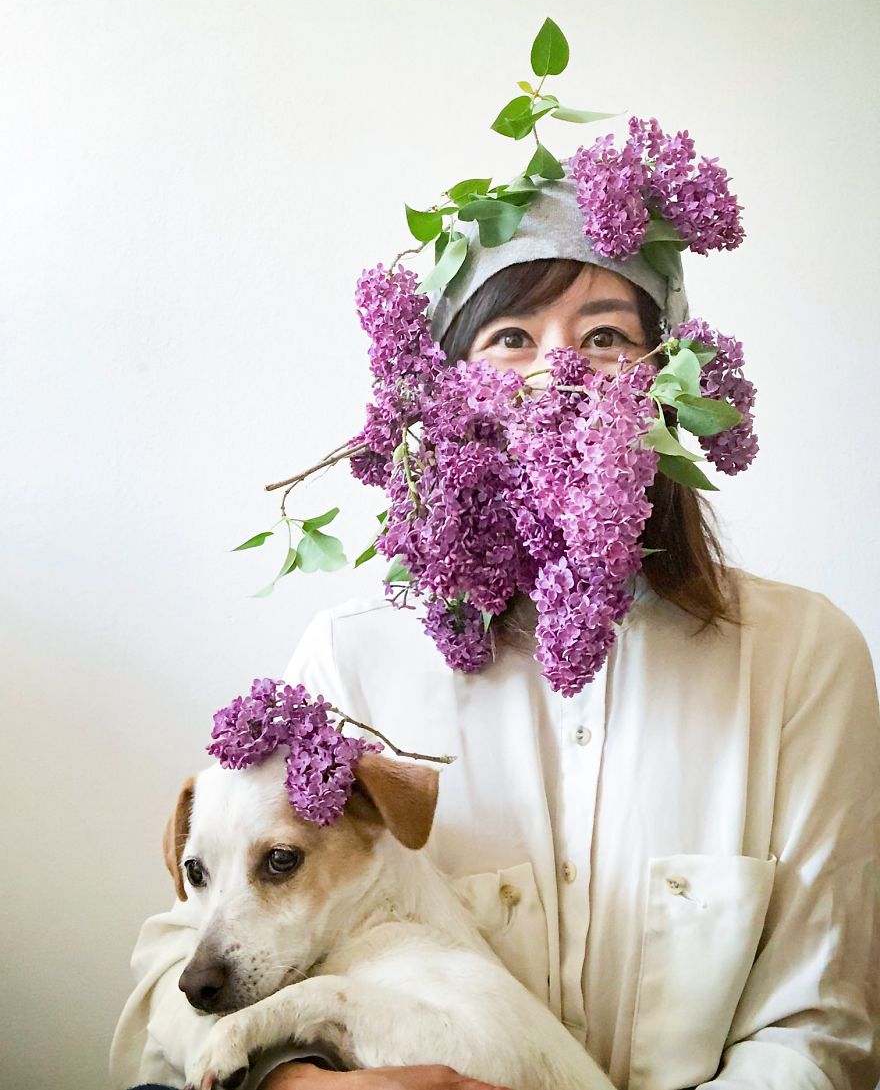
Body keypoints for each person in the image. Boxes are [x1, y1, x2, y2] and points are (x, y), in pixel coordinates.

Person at [111, 180, 880, 1090]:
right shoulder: (354, 662)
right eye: (510, 337)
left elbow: (817, 1031)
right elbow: (182, 963)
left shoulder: (800, 660)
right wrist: (294, 1083)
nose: (558, 372)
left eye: (605, 335)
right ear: (445, 393)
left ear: (666, 381)